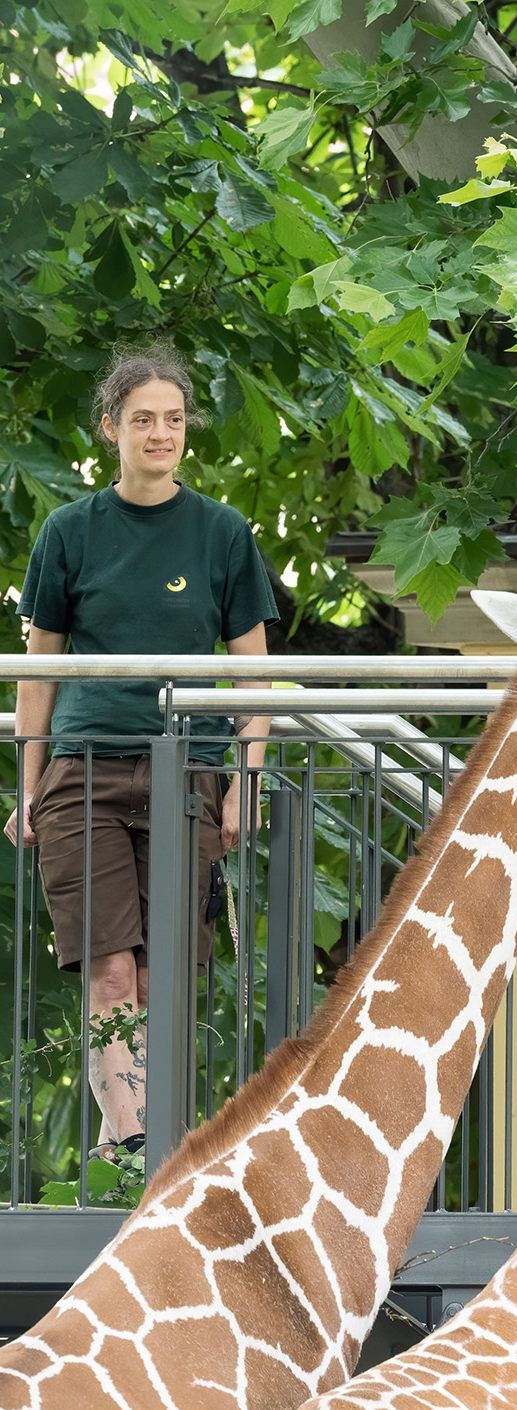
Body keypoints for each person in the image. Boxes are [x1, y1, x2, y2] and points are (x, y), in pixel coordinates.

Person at [5, 345, 278, 1164]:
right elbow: (37, 675)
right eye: (143, 419)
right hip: (83, 770)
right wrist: (29, 786)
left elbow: (254, 675)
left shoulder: (223, 533)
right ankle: (139, 1146)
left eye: (173, 418)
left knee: (161, 980)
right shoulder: (68, 531)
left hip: (184, 773)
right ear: (110, 428)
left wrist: (247, 781)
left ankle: (131, 1142)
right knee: (112, 974)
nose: (161, 432)